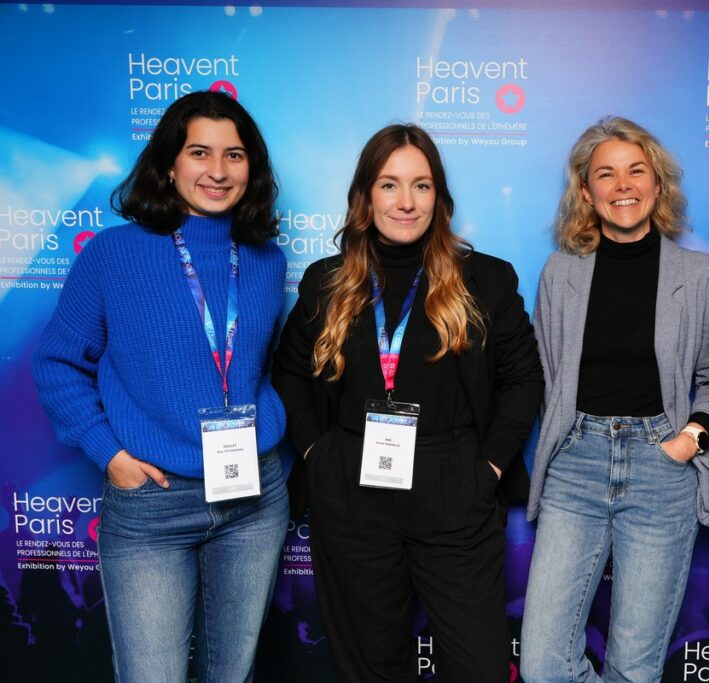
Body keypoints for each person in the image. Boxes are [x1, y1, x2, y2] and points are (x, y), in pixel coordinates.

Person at [33, 90, 289, 682]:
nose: (218, 171)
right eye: (199, 152)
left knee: (232, 675)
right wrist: (110, 454)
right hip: (153, 500)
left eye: (234, 155)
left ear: (251, 168)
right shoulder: (112, 255)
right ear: (169, 164)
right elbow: (57, 362)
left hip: (253, 498)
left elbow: (256, 366)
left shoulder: (265, 260)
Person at [272, 123, 543, 682]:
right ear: (365, 195)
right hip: (352, 490)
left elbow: (523, 381)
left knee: (478, 667)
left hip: (454, 485)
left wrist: (489, 466)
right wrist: (318, 453)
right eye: (389, 185)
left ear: (438, 197)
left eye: (421, 185)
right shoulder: (326, 282)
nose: (406, 201)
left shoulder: (485, 279)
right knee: (372, 666)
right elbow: (290, 373)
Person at [521, 117, 709, 682]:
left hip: (663, 469)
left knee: (634, 669)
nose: (623, 185)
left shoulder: (698, 275)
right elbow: (543, 375)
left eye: (636, 171)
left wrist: (691, 439)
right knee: (541, 666)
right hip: (575, 467)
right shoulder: (561, 272)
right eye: (605, 174)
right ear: (586, 192)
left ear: (657, 183)